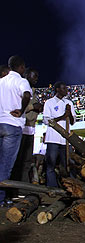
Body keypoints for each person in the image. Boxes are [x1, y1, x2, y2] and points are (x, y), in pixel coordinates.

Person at [0, 56, 32, 204]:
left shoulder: (1, 82)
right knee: (6, 165)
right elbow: (26, 95)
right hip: (12, 125)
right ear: (21, 67)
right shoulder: (21, 81)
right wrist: (21, 110)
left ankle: (3, 197)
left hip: (0, 123)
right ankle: (1, 199)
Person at [11, 68, 42, 184]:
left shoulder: (33, 91)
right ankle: (13, 188)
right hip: (21, 128)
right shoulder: (20, 88)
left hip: (30, 129)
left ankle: (22, 188)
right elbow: (17, 107)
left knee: (27, 161)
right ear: (27, 75)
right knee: (18, 160)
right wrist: (33, 107)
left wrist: (38, 108)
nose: (36, 79)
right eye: (34, 76)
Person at [43, 81, 76, 187]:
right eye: (64, 88)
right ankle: (52, 187)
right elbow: (47, 120)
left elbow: (72, 121)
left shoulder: (69, 103)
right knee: (51, 164)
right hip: (53, 138)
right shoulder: (49, 102)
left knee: (68, 163)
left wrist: (69, 113)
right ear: (57, 89)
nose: (66, 90)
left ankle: (71, 186)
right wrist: (63, 116)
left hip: (65, 139)